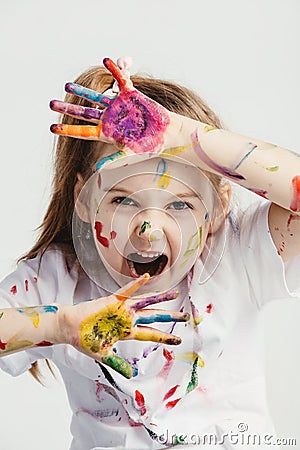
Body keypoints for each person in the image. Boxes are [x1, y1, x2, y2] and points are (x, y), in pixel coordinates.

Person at [0, 56, 299, 450]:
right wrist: (58, 326)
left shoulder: (238, 255)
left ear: (218, 206)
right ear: (84, 200)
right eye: (122, 201)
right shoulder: (58, 280)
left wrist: (182, 137)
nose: (147, 231)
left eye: (180, 206)